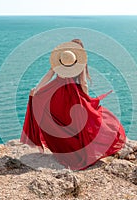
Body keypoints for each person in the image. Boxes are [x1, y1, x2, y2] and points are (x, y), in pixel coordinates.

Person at [20, 39, 126, 170]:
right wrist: (86, 99)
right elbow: (84, 83)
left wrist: (37, 90)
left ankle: (62, 151)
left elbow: (48, 76)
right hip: (73, 97)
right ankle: (79, 152)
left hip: (55, 95)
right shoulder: (80, 64)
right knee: (79, 126)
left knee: (58, 124)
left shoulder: (60, 61)